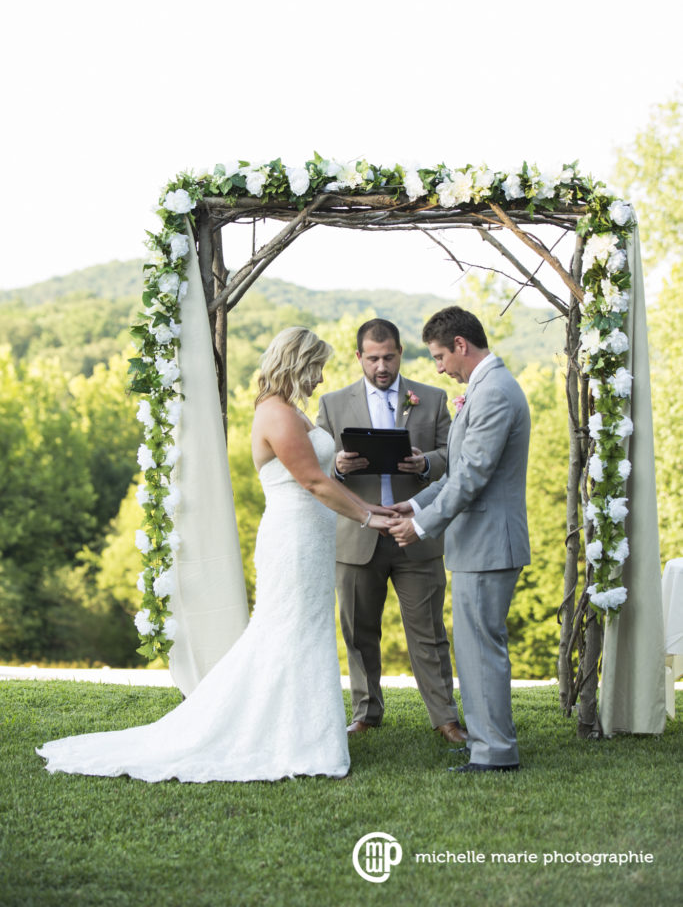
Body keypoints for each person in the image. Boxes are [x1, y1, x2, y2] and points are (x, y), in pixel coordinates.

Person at [37, 327, 392, 783]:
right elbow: (314, 483)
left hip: (312, 539)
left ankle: (301, 735)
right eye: (316, 367)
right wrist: (368, 521)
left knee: (304, 632)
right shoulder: (276, 414)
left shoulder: (294, 412)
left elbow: (328, 478)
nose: (321, 378)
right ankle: (287, 739)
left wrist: (376, 509)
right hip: (293, 540)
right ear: (297, 363)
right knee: (287, 632)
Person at [388, 306, 531, 773]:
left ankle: (494, 753)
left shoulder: (494, 393)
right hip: (478, 543)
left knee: (481, 649)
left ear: (461, 346)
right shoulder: (484, 388)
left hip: (490, 543)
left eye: (438, 356)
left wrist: (423, 526)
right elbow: (456, 470)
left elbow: (472, 476)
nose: (438, 367)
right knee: (473, 647)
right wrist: (417, 503)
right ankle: (486, 742)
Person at [317, 318, 466, 743]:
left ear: (400, 353)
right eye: (373, 358)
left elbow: (452, 457)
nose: (382, 366)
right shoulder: (331, 404)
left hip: (416, 531)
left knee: (429, 632)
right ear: (359, 358)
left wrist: (426, 463)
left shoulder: (433, 399)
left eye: (389, 357)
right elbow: (315, 465)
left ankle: (445, 717)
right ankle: (366, 711)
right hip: (357, 535)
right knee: (359, 630)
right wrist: (337, 466)